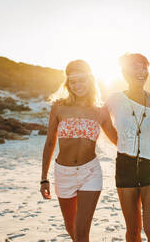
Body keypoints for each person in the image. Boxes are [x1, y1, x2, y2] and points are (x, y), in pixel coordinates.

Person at [40, 60, 117, 242]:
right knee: (71, 228)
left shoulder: (100, 110)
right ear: (68, 84)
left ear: (90, 80)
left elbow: (118, 140)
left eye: (81, 80)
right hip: (63, 173)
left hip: (90, 172)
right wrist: (44, 178)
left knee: (82, 233)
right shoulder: (59, 107)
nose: (77, 85)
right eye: (72, 82)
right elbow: (50, 142)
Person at [105, 53, 150, 242]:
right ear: (124, 71)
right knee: (133, 231)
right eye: (135, 66)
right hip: (125, 166)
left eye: (145, 67)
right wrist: (124, 144)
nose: (142, 71)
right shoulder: (114, 99)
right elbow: (101, 121)